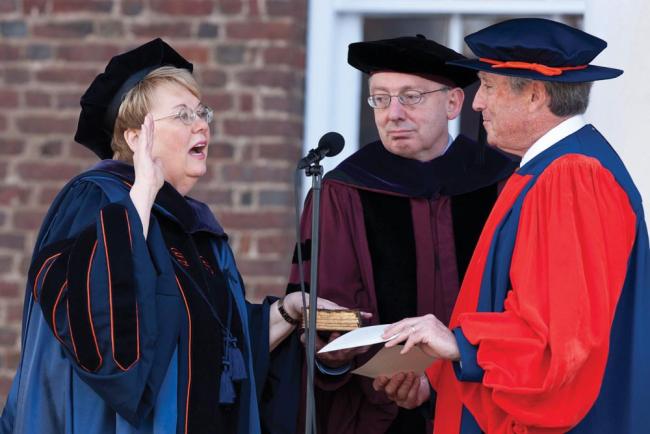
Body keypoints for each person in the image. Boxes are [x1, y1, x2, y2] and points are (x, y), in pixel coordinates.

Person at [0, 38, 335, 434]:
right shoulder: (96, 200)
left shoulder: (195, 228)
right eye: (181, 115)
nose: (201, 124)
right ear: (134, 138)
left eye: (202, 112)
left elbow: (221, 348)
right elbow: (96, 321)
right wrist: (140, 192)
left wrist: (285, 313)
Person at [375, 18, 650, 433]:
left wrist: (463, 344)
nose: (477, 103)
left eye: (488, 86)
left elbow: (560, 341)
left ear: (536, 94)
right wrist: (440, 374)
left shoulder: (571, 176)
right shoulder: (549, 169)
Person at [287, 35, 517, 434]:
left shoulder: (502, 183)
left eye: (410, 96)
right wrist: (338, 354)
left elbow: (521, 302)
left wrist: (446, 377)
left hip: (485, 403)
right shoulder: (344, 191)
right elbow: (330, 311)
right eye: (380, 98)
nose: (392, 113)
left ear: (452, 104)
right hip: (379, 411)